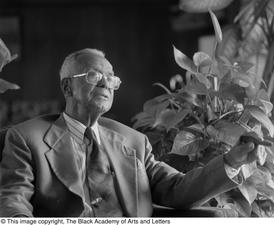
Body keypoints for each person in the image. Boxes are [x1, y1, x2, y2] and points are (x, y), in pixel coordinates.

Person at [0, 48, 258, 217]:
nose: (105, 83)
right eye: (93, 75)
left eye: (111, 78)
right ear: (67, 87)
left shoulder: (134, 141)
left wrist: (231, 162)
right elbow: (13, 201)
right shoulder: (26, 138)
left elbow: (176, 189)